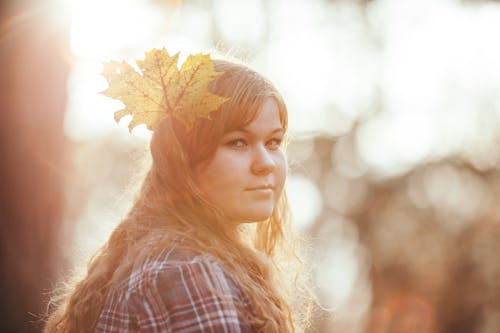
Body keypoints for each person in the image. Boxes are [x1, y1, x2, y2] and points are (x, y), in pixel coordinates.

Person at [44, 51, 311, 333]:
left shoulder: (169, 262)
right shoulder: (188, 275)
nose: (266, 164)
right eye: (238, 142)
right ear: (184, 158)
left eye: (273, 142)